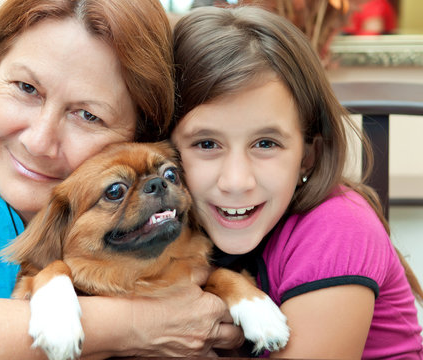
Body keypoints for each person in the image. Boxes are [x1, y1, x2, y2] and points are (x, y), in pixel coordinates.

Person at [0, 1, 243, 358]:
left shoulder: (161, 201)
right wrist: (135, 324)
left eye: (87, 114)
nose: (38, 142)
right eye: (25, 88)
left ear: (138, 131)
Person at [171, 5, 423, 359]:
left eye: (265, 144)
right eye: (207, 144)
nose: (236, 181)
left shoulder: (339, 227)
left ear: (308, 154)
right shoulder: (173, 233)